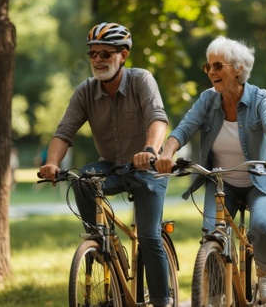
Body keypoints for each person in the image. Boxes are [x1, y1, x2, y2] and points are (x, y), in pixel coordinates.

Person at [39, 22, 171, 307]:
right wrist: (51, 162)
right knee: (83, 179)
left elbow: (158, 120)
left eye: (105, 54)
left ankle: (163, 301)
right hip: (110, 167)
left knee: (148, 236)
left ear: (123, 55)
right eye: (92, 54)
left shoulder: (141, 80)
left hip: (146, 169)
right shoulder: (85, 91)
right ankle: (100, 245)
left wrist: (149, 150)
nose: (97, 60)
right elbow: (64, 132)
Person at [155, 36, 266, 304]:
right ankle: (216, 294)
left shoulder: (260, 98)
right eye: (208, 68)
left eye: (218, 66)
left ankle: (264, 274)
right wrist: (167, 154)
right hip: (220, 184)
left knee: (262, 227)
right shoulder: (208, 100)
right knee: (211, 233)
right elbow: (183, 128)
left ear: (238, 69)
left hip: (259, 182)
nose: (212, 72)